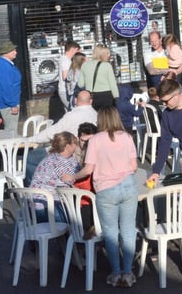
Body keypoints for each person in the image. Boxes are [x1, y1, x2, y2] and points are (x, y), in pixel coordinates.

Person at [62, 106, 139, 288]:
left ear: (101, 121)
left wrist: (72, 177)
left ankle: (116, 273)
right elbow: (134, 166)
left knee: (111, 233)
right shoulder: (127, 137)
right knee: (128, 231)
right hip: (128, 186)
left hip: (106, 190)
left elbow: (88, 169)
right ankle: (128, 273)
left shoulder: (96, 140)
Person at [29, 131, 81, 223]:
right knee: (78, 217)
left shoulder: (51, 157)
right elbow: (75, 180)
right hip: (48, 208)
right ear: (68, 146)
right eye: (75, 143)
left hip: (33, 205)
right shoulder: (62, 162)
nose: (77, 146)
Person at [0, 41, 22, 133]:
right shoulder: (3, 66)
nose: (16, 52)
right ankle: (10, 147)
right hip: (7, 104)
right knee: (11, 130)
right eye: (13, 50)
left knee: (9, 129)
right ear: (6, 52)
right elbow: (7, 86)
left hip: (5, 102)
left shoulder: (2, 64)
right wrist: (12, 104)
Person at [78, 44, 119, 110]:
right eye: (107, 53)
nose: (109, 55)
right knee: (106, 118)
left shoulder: (85, 65)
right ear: (102, 54)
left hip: (91, 96)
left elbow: (80, 84)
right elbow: (113, 85)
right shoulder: (107, 65)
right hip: (106, 96)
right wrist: (116, 98)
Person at [57, 40, 81, 109]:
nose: (78, 53)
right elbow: (65, 76)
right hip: (65, 91)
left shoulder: (66, 59)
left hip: (66, 90)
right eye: (77, 50)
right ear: (73, 49)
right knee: (73, 110)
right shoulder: (65, 60)